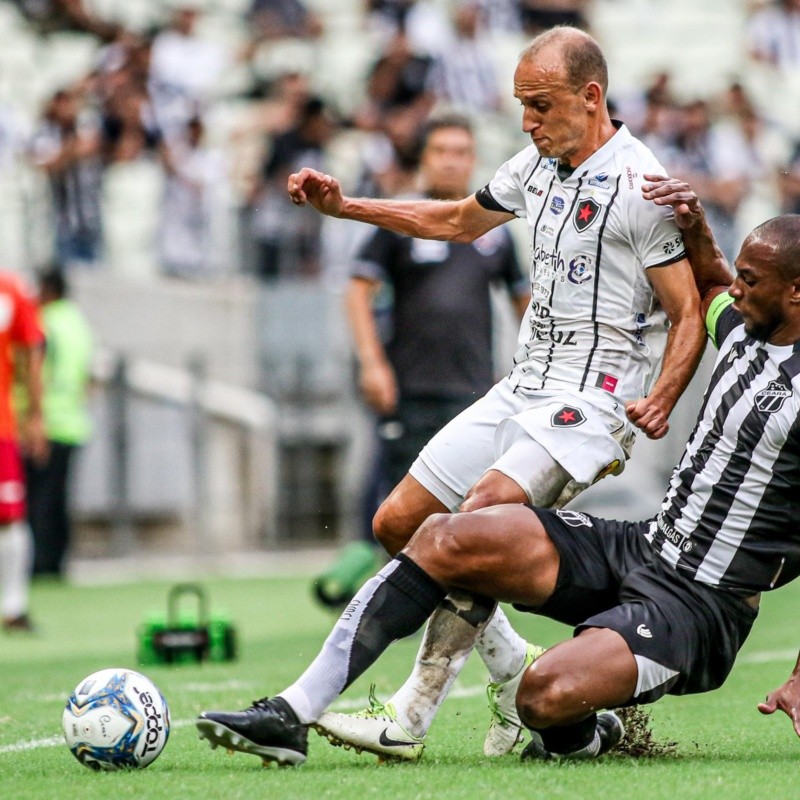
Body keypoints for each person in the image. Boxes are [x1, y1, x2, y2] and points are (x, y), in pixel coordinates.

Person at [209, 26, 706, 762]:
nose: (528, 122)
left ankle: (392, 714)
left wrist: (663, 396)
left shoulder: (641, 186)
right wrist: (348, 208)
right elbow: (456, 219)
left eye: (540, 106)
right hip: (521, 388)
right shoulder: (537, 165)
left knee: (478, 519)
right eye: (521, 106)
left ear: (591, 97)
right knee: (399, 521)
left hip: (591, 404)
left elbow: (690, 310)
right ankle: (511, 677)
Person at [196, 177, 800, 765]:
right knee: (445, 533)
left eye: (753, 282)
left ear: (795, 293)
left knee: (543, 697)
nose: (736, 292)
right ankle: (291, 713)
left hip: (701, 606)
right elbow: (716, 278)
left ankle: (580, 730)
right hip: (643, 545)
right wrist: (695, 230)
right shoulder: (746, 326)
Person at [313, 112, 530, 607]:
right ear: (425, 158)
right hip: (410, 387)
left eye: (461, 152)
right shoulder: (401, 221)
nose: (452, 161)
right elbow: (356, 291)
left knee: (471, 504)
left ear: (473, 159)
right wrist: (372, 363)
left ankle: (458, 600)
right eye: (442, 151)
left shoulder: (493, 229)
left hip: (475, 391)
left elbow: (524, 302)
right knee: (402, 503)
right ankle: (396, 600)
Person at [22, 269, 92, 578]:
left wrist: (33, 418)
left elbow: (35, 371)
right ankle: (57, 561)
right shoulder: (79, 322)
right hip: (73, 422)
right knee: (58, 497)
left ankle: (38, 564)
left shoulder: (44, 322)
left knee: (37, 499)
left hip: (46, 422)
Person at [0, 272, 46, 631]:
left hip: (1, 426)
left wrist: (35, 416)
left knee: (10, 515)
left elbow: (32, 348)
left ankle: (13, 607)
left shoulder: (10, 290)